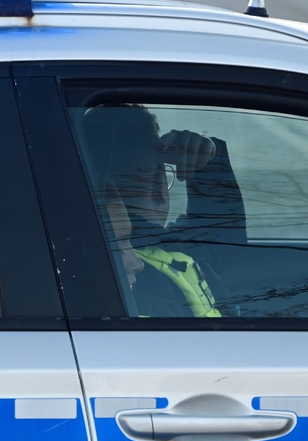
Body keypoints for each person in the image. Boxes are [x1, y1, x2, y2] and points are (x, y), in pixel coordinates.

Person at [82, 104, 246, 317]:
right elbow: (223, 234)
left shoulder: (100, 254)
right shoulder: (145, 274)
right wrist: (209, 159)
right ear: (158, 188)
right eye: (155, 172)